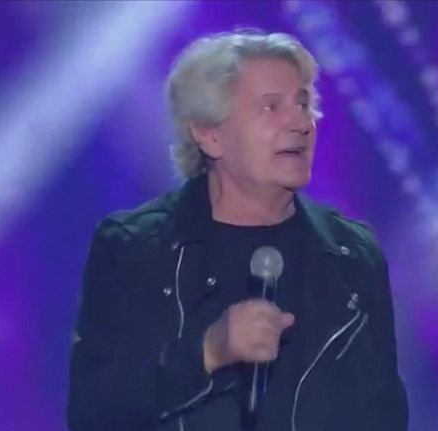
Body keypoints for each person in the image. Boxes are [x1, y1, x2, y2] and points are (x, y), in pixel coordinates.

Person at [67, 30, 408, 431]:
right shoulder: (135, 248)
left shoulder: (353, 256)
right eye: (271, 106)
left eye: (303, 104)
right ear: (209, 135)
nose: (301, 123)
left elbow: (383, 415)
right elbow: (94, 414)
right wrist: (208, 352)